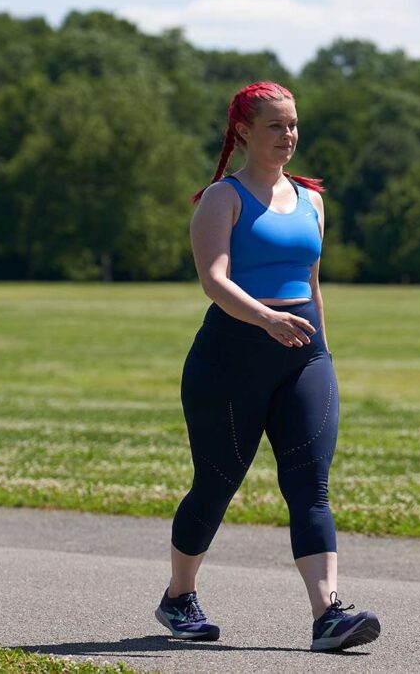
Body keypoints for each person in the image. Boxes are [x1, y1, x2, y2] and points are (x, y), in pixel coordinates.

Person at [154, 81, 381, 652]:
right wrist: (267, 321)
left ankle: (327, 615)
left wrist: (321, 351)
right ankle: (179, 596)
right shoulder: (222, 199)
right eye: (276, 126)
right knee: (216, 484)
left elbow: (311, 284)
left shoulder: (312, 201)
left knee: (311, 484)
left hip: (302, 357)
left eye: (293, 125)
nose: (289, 136)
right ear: (244, 132)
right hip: (231, 357)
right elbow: (215, 279)